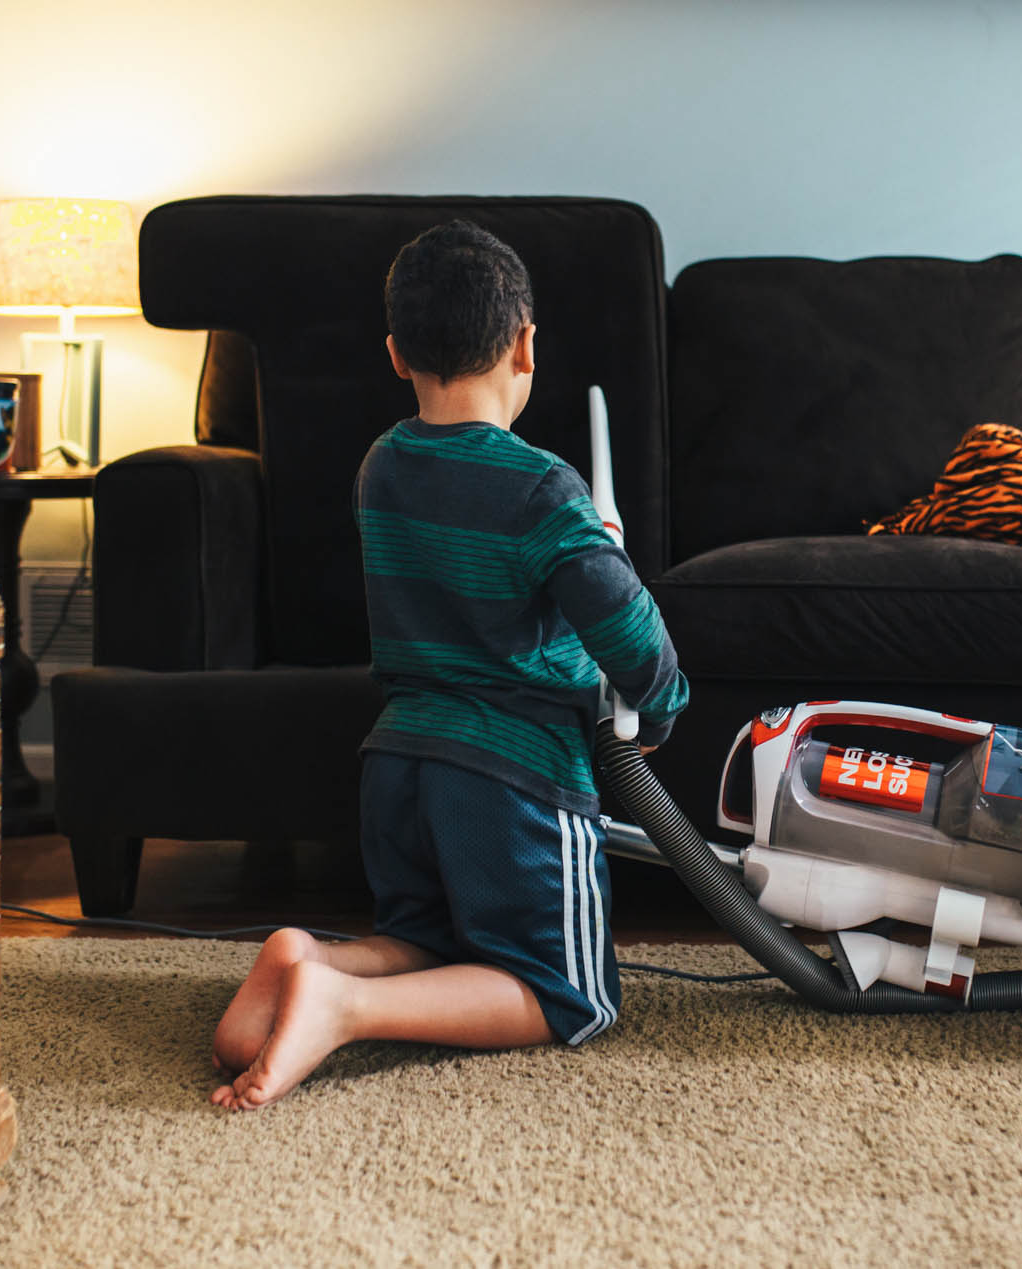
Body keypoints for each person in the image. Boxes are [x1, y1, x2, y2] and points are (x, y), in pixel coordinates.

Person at [209, 220, 689, 1110]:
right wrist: (657, 715)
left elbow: (465, 595)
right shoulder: (545, 486)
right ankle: (343, 1004)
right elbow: (632, 641)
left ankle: (308, 963)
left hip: (399, 764)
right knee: (570, 996)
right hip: (512, 782)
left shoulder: (381, 467)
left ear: (396, 354)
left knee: (427, 936)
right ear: (526, 344)